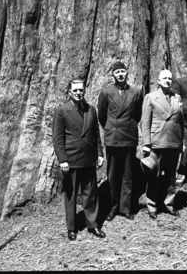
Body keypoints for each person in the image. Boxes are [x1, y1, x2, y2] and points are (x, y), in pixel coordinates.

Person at [52, 78, 106, 240]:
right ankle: (72, 227)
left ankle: (93, 224)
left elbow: (95, 134)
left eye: (80, 90)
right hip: (71, 159)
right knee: (71, 194)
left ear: (84, 91)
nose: (78, 93)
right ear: (69, 92)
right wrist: (62, 160)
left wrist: (100, 154)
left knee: (90, 193)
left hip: (89, 158)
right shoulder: (61, 111)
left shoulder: (91, 110)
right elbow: (57, 138)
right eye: (75, 90)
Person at [98, 61, 143, 221]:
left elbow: (137, 115)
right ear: (113, 75)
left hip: (129, 137)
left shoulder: (136, 92)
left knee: (128, 174)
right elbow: (102, 115)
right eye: (117, 72)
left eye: (123, 71)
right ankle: (113, 207)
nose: (121, 74)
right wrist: (112, 127)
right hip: (113, 138)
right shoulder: (106, 92)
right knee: (113, 175)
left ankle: (126, 208)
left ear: (127, 73)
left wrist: (127, 126)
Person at [141, 70, 184, 219]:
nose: (167, 80)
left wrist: (181, 142)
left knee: (171, 176)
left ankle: (169, 203)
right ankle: (152, 206)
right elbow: (145, 123)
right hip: (156, 141)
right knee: (154, 175)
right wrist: (146, 143)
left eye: (170, 78)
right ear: (158, 81)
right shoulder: (151, 97)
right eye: (164, 78)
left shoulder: (176, 97)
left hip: (173, 141)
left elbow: (180, 121)